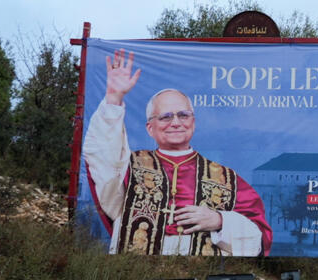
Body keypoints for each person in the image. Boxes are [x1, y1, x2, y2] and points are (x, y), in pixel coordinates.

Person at [83, 50, 271, 256]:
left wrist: (220, 220)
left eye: (183, 115)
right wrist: (113, 99)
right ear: (150, 128)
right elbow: (102, 157)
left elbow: (260, 238)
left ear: (193, 123)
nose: (175, 122)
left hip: (202, 279)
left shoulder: (227, 179)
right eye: (165, 117)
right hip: (134, 274)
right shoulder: (128, 167)